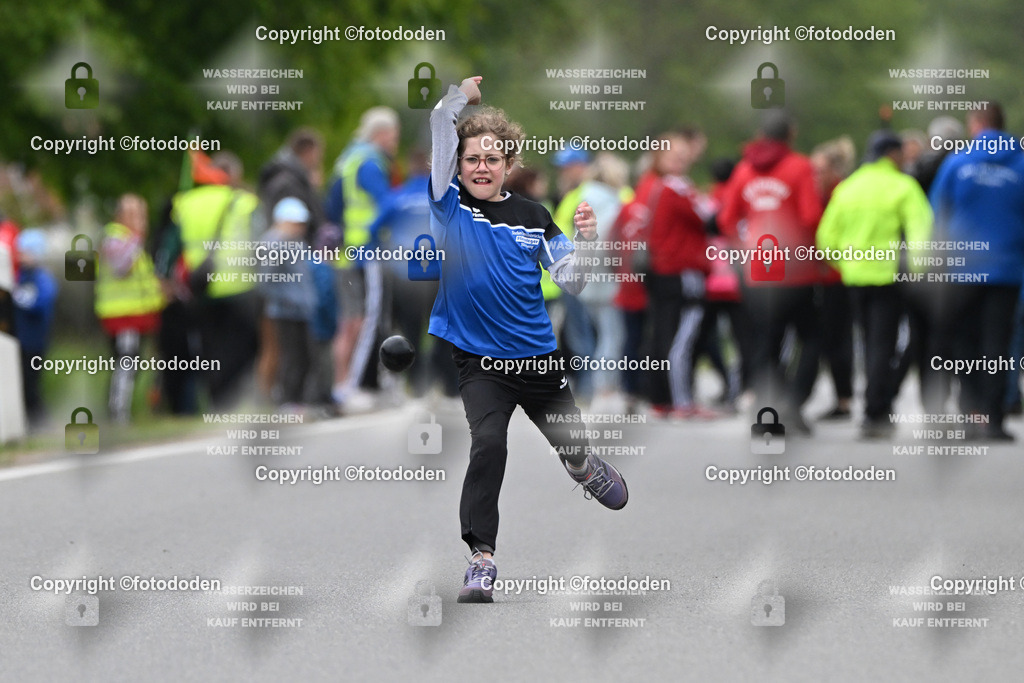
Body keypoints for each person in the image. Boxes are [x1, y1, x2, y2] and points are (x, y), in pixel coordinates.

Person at [429, 76, 628, 603]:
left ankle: (582, 467)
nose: (481, 167)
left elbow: (573, 282)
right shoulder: (448, 203)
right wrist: (459, 97)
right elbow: (440, 126)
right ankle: (481, 560)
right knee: (489, 444)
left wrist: (586, 242)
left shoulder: (534, 216)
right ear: (457, 165)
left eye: (492, 159)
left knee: (573, 447)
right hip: (480, 362)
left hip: (538, 360)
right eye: (472, 158)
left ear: (508, 165)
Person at [816, 131, 933, 438]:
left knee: (868, 342)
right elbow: (921, 233)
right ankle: (876, 411)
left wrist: (845, 264)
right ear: (892, 154)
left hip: (855, 277)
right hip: (888, 276)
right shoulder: (903, 186)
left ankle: (875, 405)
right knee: (883, 345)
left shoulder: (849, 187)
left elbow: (826, 237)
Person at [718, 112, 824, 433]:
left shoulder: (743, 169)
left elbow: (726, 219)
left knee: (766, 343)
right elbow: (811, 216)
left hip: (758, 268)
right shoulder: (799, 167)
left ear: (760, 134)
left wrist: (742, 250)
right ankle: (793, 401)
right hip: (795, 269)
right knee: (813, 336)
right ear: (791, 134)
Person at [929, 103, 1024, 441]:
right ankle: (994, 420)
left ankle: (971, 416)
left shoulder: (957, 163)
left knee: (964, 342)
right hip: (1007, 268)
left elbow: (937, 211)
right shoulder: (1021, 163)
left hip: (963, 268)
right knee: (998, 344)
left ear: (976, 124)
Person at [157, 151, 261, 409]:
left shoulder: (185, 203)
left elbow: (169, 248)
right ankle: (237, 404)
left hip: (201, 289)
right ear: (231, 175)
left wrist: (166, 278)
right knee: (243, 349)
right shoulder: (245, 202)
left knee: (211, 351)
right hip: (240, 289)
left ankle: (218, 404)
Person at [326, 106, 399, 413]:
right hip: (366, 250)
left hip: (347, 250)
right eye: (393, 135)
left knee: (350, 321)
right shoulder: (370, 162)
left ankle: (341, 385)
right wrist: (373, 232)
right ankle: (350, 387)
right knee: (367, 319)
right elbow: (387, 204)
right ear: (381, 134)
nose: (395, 142)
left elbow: (332, 206)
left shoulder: (348, 158)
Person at [644, 128, 716, 418]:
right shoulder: (677, 188)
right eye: (674, 155)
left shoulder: (653, 186)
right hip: (681, 269)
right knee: (681, 337)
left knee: (663, 333)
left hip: (662, 268)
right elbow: (708, 218)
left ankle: (661, 398)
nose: (681, 160)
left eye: (684, 155)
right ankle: (681, 401)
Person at [94, 194, 165, 423]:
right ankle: (118, 412)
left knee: (132, 363)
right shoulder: (115, 238)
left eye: (142, 214)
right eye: (135, 214)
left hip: (137, 313)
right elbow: (122, 267)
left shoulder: (131, 241)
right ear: (121, 216)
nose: (141, 220)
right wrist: (137, 238)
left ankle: (121, 408)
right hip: (121, 314)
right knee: (126, 361)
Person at [810, 137, 857, 420]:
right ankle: (842, 397)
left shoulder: (841, 194)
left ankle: (844, 399)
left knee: (837, 337)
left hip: (837, 274)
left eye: (820, 170)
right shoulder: (820, 193)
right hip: (823, 274)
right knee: (830, 338)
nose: (814, 175)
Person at [259, 198, 317, 408]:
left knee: (304, 357)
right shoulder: (274, 244)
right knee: (290, 357)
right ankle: (287, 401)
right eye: (295, 223)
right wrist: (288, 300)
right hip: (284, 310)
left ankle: (297, 400)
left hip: (301, 310)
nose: (300, 228)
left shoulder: (297, 243)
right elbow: (266, 280)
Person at [12, 229, 57, 427]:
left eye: (26, 252)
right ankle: (27, 420)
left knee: (31, 383)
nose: (22, 257)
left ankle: (40, 421)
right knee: (21, 383)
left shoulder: (43, 278)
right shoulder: (21, 276)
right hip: (20, 340)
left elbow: (41, 304)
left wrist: (21, 298)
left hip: (36, 341)